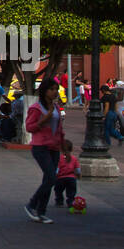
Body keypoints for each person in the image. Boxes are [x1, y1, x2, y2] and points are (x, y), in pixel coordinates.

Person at [24, 77, 65, 223]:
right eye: (52, 89)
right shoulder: (36, 108)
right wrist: (44, 119)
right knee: (51, 178)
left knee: (48, 179)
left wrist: (64, 146)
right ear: (44, 91)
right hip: (40, 146)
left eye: (56, 89)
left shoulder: (56, 108)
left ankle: (41, 212)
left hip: (54, 147)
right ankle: (32, 204)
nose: (55, 92)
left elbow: (59, 128)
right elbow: (29, 127)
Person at [54, 140, 81, 209]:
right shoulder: (74, 158)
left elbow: (57, 169)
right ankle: (70, 202)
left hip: (60, 178)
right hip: (71, 178)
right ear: (71, 149)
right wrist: (78, 175)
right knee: (71, 192)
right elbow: (77, 169)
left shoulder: (59, 158)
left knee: (58, 190)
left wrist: (55, 176)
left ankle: (59, 201)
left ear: (61, 149)